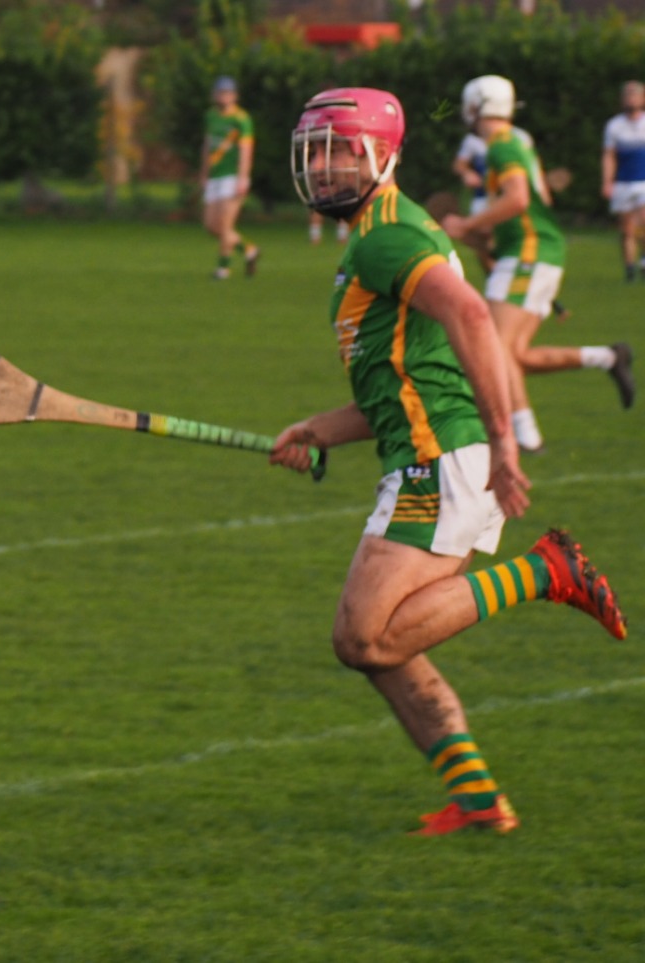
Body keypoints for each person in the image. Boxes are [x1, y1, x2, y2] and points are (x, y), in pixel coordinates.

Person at [274, 87, 627, 836]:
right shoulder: (380, 234)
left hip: (439, 463)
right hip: (431, 454)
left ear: (382, 157)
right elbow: (406, 380)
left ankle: (544, 571)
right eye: (316, 154)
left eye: (340, 152)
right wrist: (318, 429)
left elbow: (471, 315)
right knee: (385, 644)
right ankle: (477, 799)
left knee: (362, 636)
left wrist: (504, 441)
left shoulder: (386, 237)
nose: (324, 168)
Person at [440, 76, 633, 454]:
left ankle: (526, 437)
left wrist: (466, 224)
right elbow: (512, 218)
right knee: (515, 354)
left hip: (530, 253)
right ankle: (608, 357)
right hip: (533, 252)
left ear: (477, 106)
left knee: (494, 347)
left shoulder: (501, 146)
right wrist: (468, 233)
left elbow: (518, 200)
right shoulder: (513, 143)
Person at [199, 76, 259, 280]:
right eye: (220, 93)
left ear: (234, 96)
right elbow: (207, 145)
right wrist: (204, 173)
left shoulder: (241, 119)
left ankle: (223, 268)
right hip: (215, 176)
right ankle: (249, 250)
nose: (223, 97)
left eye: (227, 93)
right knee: (211, 226)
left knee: (225, 225)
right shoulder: (211, 116)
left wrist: (243, 178)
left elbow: (246, 150)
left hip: (232, 177)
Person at [601, 80, 645, 282]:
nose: (631, 99)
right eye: (627, 95)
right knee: (626, 229)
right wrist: (607, 181)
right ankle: (630, 268)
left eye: (635, 95)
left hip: (643, 181)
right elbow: (609, 155)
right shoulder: (614, 125)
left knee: (643, 221)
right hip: (623, 183)